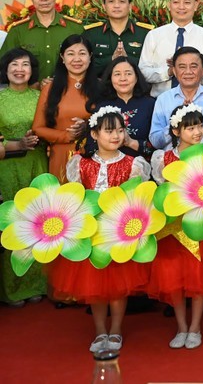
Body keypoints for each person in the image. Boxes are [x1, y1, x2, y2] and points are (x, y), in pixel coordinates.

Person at [52, 107, 151, 352]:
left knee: (118, 284)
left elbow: (137, 199)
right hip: (92, 233)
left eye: (120, 130)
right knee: (95, 285)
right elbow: (74, 198)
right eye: (109, 131)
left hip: (120, 233)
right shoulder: (81, 164)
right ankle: (100, 331)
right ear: (94, 134)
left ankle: (116, 330)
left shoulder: (134, 164)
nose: (116, 136)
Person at [149, 105, 203, 350]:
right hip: (171, 227)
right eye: (190, 128)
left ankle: (195, 326)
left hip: (198, 223)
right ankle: (181, 326)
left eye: (199, 126)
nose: (197, 132)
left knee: (199, 277)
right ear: (177, 130)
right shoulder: (164, 158)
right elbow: (161, 192)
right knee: (173, 278)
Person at [0, 49, 48, 306]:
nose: (20, 69)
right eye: (14, 64)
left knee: (39, 223)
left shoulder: (41, 96)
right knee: (11, 224)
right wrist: (18, 143)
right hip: (7, 167)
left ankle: (37, 283)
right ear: (5, 69)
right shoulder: (0, 98)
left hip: (38, 164)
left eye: (25, 65)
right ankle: (12, 287)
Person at [32, 35, 100, 182]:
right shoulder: (50, 88)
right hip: (61, 154)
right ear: (62, 58)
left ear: (90, 57)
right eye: (70, 54)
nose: (76, 59)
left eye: (82, 53)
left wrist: (87, 128)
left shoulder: (101, 87)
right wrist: (66, 136)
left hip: (96, 154)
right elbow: (38, 128)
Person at [138, 0, 203, 97]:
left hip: (197, 102)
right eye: (176, 2)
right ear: (169, 5)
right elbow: (143, 72)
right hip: (160, 102)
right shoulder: (154, 35)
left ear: (195, 5)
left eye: (187, 2)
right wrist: (168, 72)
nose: (181, 7)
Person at [0, 0, 83, 80]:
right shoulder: (18, 31)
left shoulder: (75, 28)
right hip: (29, 94)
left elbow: (87, 63)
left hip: (67, 93)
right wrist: (32, 85)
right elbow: (4, 66)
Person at [149, 46, 203, 149]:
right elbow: (155, 142)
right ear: (174, 70)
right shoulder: (163, 99)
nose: (188, 71)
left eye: (193, 66)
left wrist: (198, 118)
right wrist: (177, 121)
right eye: (182, 67)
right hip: (173, 161)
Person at [82, 0, 153, 76]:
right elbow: (84, 66)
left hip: (137, 89)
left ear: (130, 6)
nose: (116, 5)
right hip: (99, 88)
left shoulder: (146, 33)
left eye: (122, 1)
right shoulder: (91, 34)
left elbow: (153, 66)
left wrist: (127, 59)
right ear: (104, 6)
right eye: (111, 1)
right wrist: (111, 58)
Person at [92, 57, 155, 158]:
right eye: (117, 74)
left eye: (128, 74)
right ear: (110, 78)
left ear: (136, 77)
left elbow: (158, 147)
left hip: (141, 168)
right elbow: (91, 145)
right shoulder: (102, 107)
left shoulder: (150, 104)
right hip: (109, 167)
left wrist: (131, 142)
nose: (123, 78)